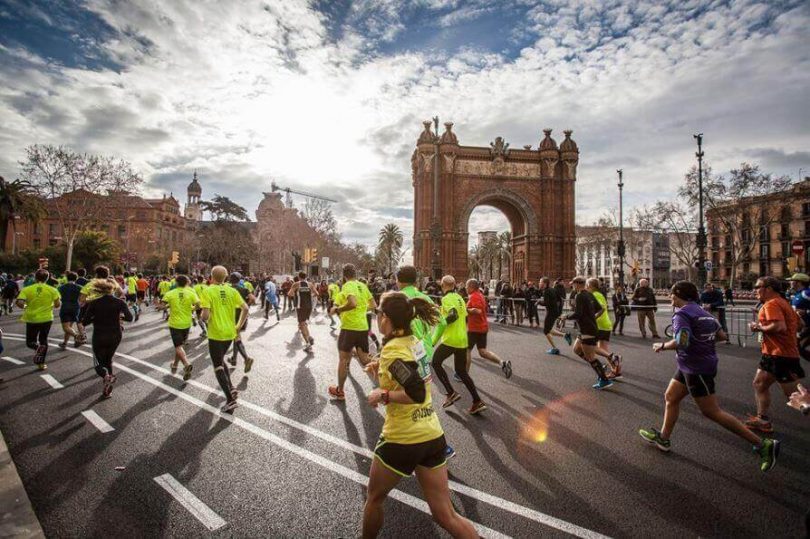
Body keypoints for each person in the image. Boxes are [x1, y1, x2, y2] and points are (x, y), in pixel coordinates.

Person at [361, 291, 477, 539]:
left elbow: (414, 392)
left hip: (402, 438)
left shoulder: (393, 351)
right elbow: (411, 379)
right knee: (446, 515)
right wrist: (379, 374)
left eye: (378, 313)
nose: (377, 317)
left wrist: (381, 395)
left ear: (387, 318)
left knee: (374, 498)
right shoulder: (413, 342)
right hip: (431, 434)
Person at [639, 281, 779, 472]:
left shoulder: (682, 314)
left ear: (679, 294)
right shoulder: (704, 312)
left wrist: (662, 346)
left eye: (672, 294)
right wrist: (703, 341)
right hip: (690, 365)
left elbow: (683, 341)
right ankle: (663, 438)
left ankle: (763, 444)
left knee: (712, 411)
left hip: (697, 368)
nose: (671, 298)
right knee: (671, 397)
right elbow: (721, 335)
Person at [744, 276, 805, 433]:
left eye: (757, 287)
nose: (755, 290)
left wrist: (757, 327)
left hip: (781, 355)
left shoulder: (771, 304)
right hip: (773, 354)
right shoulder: (784, 303)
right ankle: (763, 420)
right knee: (759, 384)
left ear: (769, 288)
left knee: (796, 396)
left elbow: (778, 327)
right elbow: (800, 325)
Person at [431, 275, 487, 414]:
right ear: (454, 285)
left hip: (451, 339)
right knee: (461, 371)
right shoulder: (460, 298)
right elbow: (462, 315)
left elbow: (453, 314)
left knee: (436, 363)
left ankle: (450, 393)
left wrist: (441, 322)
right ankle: (477, 401)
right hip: (462, 339)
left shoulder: (446, 298)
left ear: (443, 286)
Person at [200, 266, 248, 412]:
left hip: (216, 333)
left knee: (218, 366)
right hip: (230, 332)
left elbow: (205, 316)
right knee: (220, 359)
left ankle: (230, 400)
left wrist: (202, 315)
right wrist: (238, 325)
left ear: (211, 276)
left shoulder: (207, 291)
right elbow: (245, 308)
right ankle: (232, 388)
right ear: (226, 277)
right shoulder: (232, 290)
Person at [328, 264, 375, 401]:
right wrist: (361, 309)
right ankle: (387, 378)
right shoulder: (363, 286)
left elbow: (352, 303)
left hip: (349, 328)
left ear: (344, 275)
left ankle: (340, 391)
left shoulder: (347, 286)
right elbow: (373, 305)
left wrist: (338, 310)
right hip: (362, 327)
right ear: (356, 273)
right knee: (365, 359)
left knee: (343, 360)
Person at [81, 279, 133, 398]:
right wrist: (118, 317)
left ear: (100, 290)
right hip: (115, 335)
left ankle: (105, 376)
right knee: (108, 359)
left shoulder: (94, 303)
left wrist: (95, 318)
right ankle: (107, 389)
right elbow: (130, 318)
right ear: (113, 289)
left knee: (98, 362)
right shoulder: (120, 302)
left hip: (100, 335)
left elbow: (84, 322)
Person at [564, 276, 613, 390]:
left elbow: (578, 313)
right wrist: (592, 317)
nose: (572, 286)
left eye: (573, 284)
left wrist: (565, 316)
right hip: (587, 328)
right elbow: (600, 309)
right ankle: (600, 367)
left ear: (578, 284)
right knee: (576, 349)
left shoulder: (580, 295)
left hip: (587, 329)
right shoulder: (589, 294)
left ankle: (604, 379)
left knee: (590, 357)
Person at [465, 278, 511, 378]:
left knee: (467, 350)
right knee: (482, 352)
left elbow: (478, 311)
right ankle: (502, 363)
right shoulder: (480, 295)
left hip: (474, 329)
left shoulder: (474, 296)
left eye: (467, 286)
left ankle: (464, 375)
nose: (465, 288)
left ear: (472, 287)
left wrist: (467, 309)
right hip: (482, 327)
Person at [16, 269, 61, 370]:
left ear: (35, 278)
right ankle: (41, 364)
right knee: (43, 340)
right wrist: (50, 305)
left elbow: (19, 302)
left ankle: (36, 347)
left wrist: (26, 306)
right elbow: (58, 305)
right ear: (47, 278)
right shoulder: (53, 290)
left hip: (31, 318)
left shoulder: (27, 289)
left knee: (30, 342)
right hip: (47, 318)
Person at [158, 275, 200, 381]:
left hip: (175, 324)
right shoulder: (191, 292)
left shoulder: (170, 293)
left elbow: (162, 306)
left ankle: (186, 364)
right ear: (187, 283)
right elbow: (199, 305)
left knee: (178, 347)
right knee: (180, 346)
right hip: (186, 323)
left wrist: (166, 306)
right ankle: (175, 366)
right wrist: (192, 309)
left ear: (176, 283)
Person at [588, 278, 622, 379]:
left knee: (589, 347)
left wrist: (592, 318)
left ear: (591, 286)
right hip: (605, 324)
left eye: (587, 285)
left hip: (600, 325)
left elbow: (601, 308)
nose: (586, 287)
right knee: (603, 349)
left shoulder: (595, 295)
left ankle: (615, 358)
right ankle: (616, 371)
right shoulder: (600, 294)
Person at [227, 273, 255, 370]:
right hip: (242, 314)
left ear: (230, 280)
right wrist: (247, 305)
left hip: (230, 315)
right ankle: (234, 359)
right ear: (239, 280)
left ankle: (246, 358)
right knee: (236, 336)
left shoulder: (227, 289)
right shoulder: (244, 289)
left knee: (236, 337)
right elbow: (252, 298)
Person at [289, 271, 317, 352]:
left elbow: (290, 294)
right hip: (309, 306)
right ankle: (309, 339)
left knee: (302, 325)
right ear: (305, 276)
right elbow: (316, 293)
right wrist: (308, 296)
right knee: (304, 323)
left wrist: (297, 295)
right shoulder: (310, 284)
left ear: (299, 277)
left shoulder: (296, 284)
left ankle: (308, 341)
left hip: (300, 306)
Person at [538, 277, 566, 355]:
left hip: (551, 313)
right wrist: (558, 309)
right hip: (555, 312)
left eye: (540, 282)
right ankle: (565, 335)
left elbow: (546, 303)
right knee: (549, 329)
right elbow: (560, 300)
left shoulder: (546, 291)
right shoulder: (553, 289)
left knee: (546, 331)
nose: (539, 283)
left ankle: (555, 348)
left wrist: (539, 302)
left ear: (545, 284)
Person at [57, 271, 82, 349]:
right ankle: (64, 343)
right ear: (76, 278)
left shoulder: (61, 287)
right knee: (69, 327)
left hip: (65, 307)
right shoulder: (80, 287)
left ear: (67, 278)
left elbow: (58, 298)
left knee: (66, 327)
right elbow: (82, 298)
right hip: (75, 307)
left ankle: (76, 336)